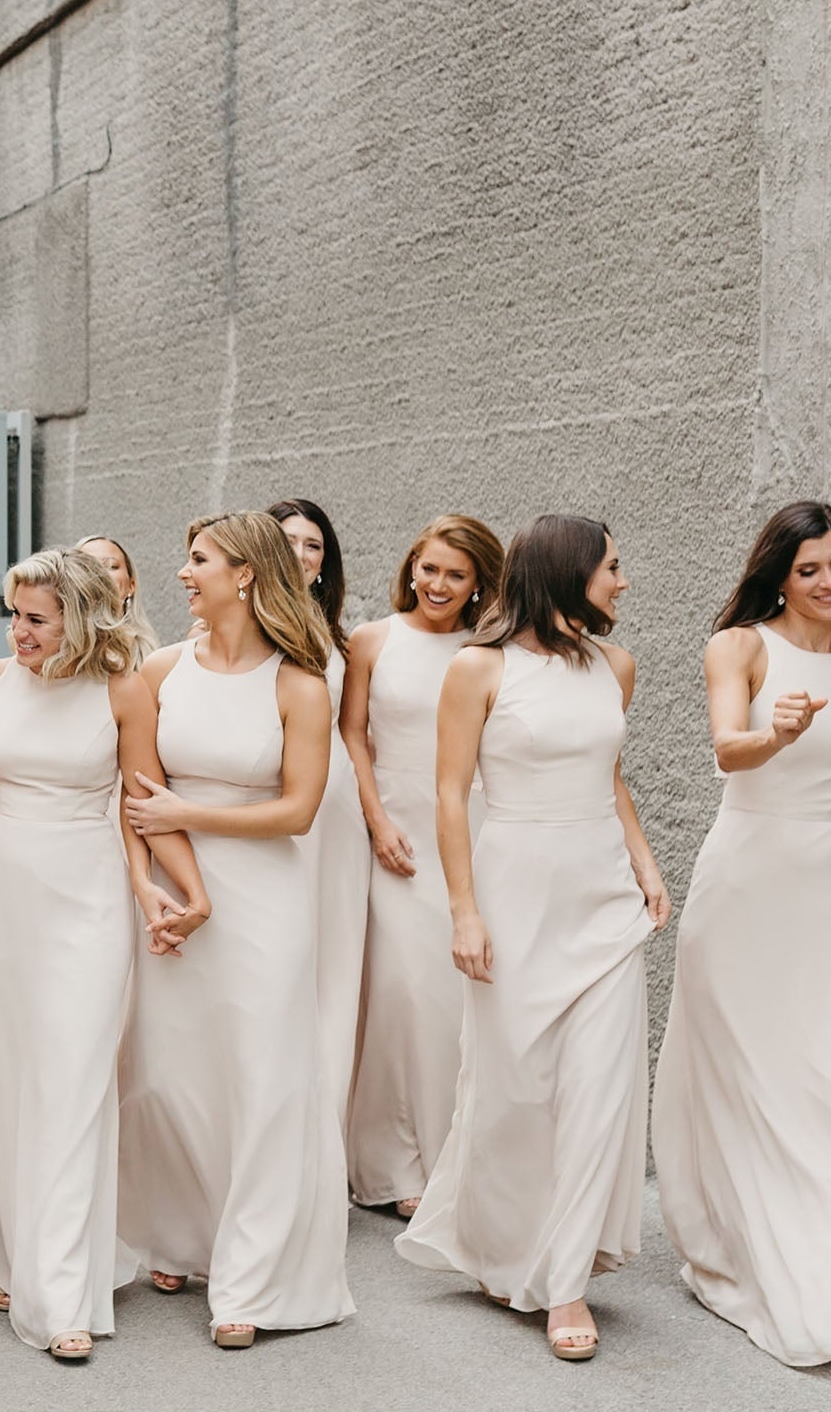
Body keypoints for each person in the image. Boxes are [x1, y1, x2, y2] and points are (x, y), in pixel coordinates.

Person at [397, 515, 670, 1363]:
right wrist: (465, 911)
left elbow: (609, 775)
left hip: (603, 899)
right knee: (514, 1086)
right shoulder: (479, 669)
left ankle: (567, 1284)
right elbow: (449, 796)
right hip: (516, 891)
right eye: (613, 569)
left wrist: (645, 861)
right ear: (567, 572)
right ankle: (498, 1244)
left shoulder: (614, 667)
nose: (623, 583)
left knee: (597, 1089)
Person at [0, 548, 204, 1360]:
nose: (19, 632)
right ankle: (17, 1253)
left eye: (36, 619)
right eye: (15, 615)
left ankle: (65, 1293)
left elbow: (142, 803)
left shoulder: (123, 692)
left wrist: (162, 887)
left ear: (80, 618)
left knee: (76, 1081)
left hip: (88, 899)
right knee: (12, 1083)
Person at [656, 504, 831, 1372]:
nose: (829, 581)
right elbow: (729, 749)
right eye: (809, 569)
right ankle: (762, 1267)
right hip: (748, 885)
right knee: (752, 1083)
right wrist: (777, 732)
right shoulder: (741, 647)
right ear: (779, 575)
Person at [118, 511, 354, 1347]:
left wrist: (193, 811)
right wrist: (157, 886)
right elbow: (141, 797)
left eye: (199, 560)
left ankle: (253, 1279)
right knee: (176, 1073)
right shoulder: (158, 671)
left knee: (262, 1072)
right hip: (185, 887)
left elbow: (296, 812)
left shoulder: (298, 681)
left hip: (268, 896)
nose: (184, 573)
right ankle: (188, 1231)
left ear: (245, 574)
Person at [340, 515, 504, 1214]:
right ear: (411, 567)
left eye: (455, 575)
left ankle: (452, 1156)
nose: (438, 584)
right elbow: (352, 732)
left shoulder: (488, 651)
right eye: (429, 569)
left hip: (471, 829)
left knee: (452, 996)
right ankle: (391, 1164)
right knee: (402, 994)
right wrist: (376, 819)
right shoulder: (373, 640)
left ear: (478, 586)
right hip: (395, 832)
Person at [270, 496, 368, 1130]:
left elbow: (354, 734)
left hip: (335, 809)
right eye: (290, 541)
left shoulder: (341, 641)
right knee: (279, 959)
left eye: (314, 546)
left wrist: (375, 816)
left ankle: (322, 1131)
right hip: (269, 804)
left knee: (334, 962)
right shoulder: (226, 629)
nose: (303, 555)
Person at [77, 534, 160, 659]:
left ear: (131, 585)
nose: (100, 573)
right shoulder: (54, 649)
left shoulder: (152, 656)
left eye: (111, 566)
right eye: (87, 567)